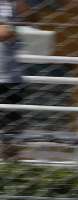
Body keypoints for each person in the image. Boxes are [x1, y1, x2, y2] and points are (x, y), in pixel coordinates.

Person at [0, 0, 23, 162]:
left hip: (6, 79)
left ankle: (9, 167)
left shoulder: (6, 5)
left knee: (10, 131)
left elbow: (5, 32)